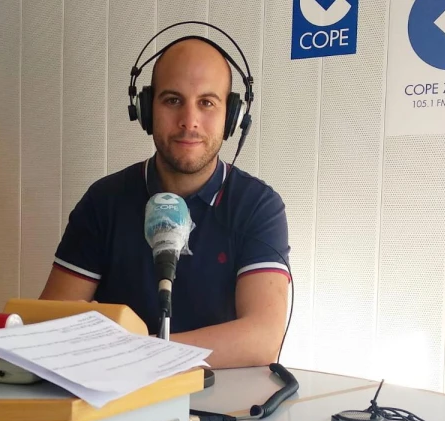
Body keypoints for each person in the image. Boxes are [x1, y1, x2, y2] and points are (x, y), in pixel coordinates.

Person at [39, 35, 291, 369]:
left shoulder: (258, 206)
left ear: (232, 116)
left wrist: (138, 351)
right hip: (121, 393)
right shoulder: (103, 201)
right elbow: (51, 322)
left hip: (221, 394)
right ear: (146, 110)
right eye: (173, 100)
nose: (189, 121)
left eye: (207, 102)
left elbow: (262, 338)